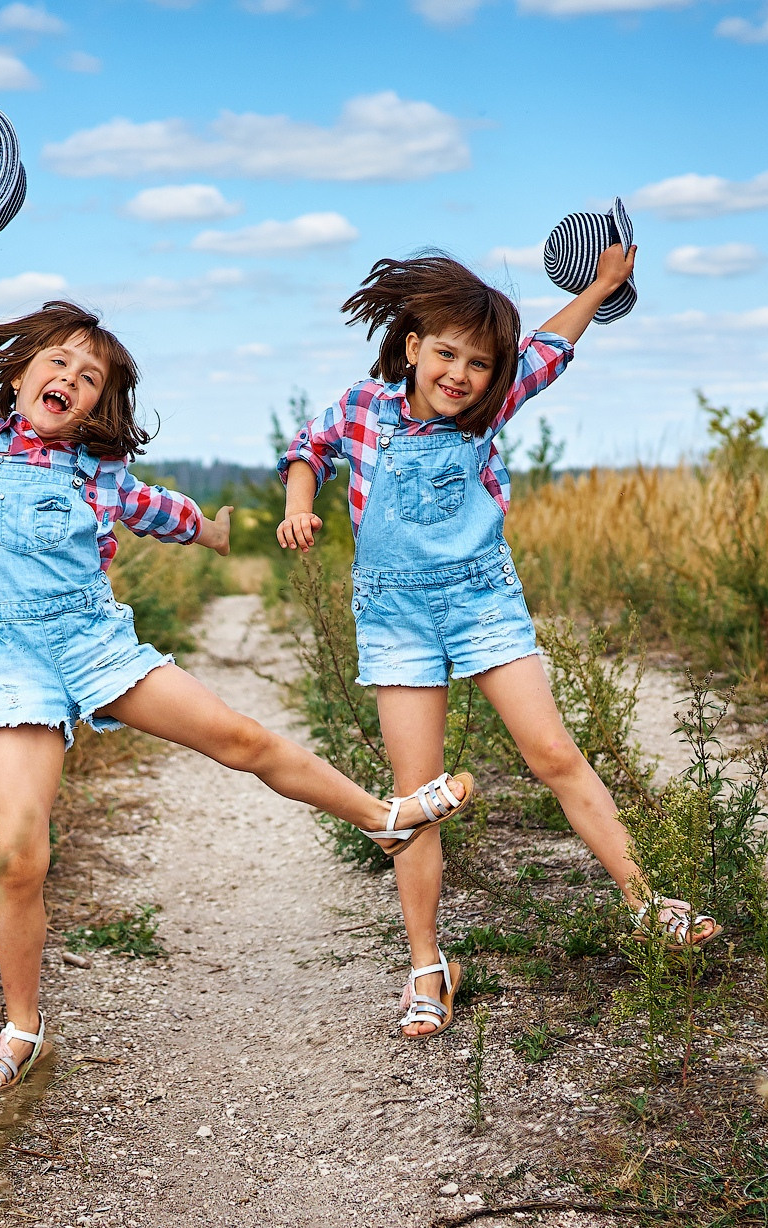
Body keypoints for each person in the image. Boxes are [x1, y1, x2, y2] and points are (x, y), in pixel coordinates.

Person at [0, 228, 478, 1091]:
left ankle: (383, 820)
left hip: (96, 648)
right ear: (18, 377)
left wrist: (236, 529)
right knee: (20, 857)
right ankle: (21, 1028)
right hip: (14, 667)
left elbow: (179, 515)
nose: (71, 382)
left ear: (96, 408)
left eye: (90, 380)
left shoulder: (103, 481)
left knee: (239, 739)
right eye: (58, 364)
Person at [277, 245, 718, 1041]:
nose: (461, 374)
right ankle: (425, 968)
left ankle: (651, 904)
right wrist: (300, 504)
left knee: (552, 752)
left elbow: (551, 345)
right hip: (397, 616)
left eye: (480, 363)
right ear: (412, 346)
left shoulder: (491, 405)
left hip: (482, 602)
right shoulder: (360, 407)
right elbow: (305, 451)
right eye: (446, 353)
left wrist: (602, 285)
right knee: (416, 794)